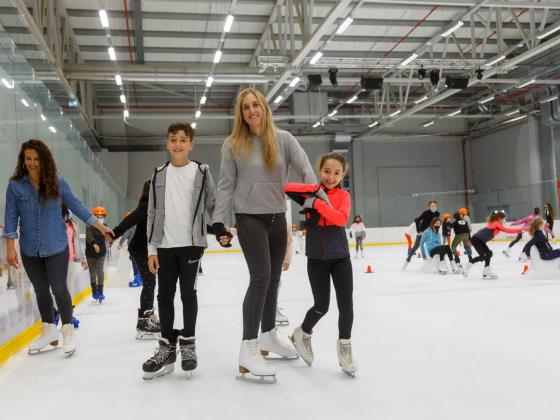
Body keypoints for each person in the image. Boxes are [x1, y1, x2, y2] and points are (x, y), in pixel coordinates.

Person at [212, 88, 315, 383]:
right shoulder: (233, 144)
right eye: (246, 107)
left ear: (264, 107)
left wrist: (313, 204)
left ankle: (268, 335)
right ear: (241, 114)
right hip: (249, 218)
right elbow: (225, 186)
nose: (252, 111)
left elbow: (306, 172)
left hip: (276, 217)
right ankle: (248, 348)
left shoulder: (283, 139)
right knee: (260, 278)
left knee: (273, 279)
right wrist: (219, 222)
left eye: (255, 105)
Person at [3, 139, 112, 356]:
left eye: (36, 159)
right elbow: (10, 217)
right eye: (28, 159)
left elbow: (77, 206)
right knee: (41, 290)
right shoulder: (15, 186)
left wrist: (100, 227)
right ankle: (48, 330)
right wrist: (10, 248)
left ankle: (67, 330)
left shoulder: (57, 183)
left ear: (44, 160)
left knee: (59, 288)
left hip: (56, 247)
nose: (32, 163)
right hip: (29, 249)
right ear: (23, 161)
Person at [141, 122, 229, 380]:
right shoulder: (158, 174)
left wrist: (221, 229)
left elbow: (213, 203)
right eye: (173, 140)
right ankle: (167, 347)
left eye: (183, 140)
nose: (177, 144)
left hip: (191, 244)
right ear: (167, 144)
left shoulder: (201, 171)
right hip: (164, 245)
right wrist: (151, 249)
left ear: (191, 144)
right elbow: (151, 214)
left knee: (188, 294)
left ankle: (188, 344)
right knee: (164, 296)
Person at [284, 152, 357, 376]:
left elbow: (340, 219)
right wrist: (314, 191)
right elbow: (285, 187)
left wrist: (317, 203)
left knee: (346, 305)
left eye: (337, 173)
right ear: (319, 170)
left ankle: (345, 347)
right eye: (327, 171)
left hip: (340, 258)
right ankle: (302, 334)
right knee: (321, 306)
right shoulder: (312, 190)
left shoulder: (344, 195)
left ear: (343, 174)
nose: (331, 177)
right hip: (316, 258)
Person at [110, 181, 161, 340]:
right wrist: (115, 233)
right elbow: (130, 219)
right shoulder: (147, 205)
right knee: (149, 283)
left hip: (145, 249)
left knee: (150, 283)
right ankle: (145, 321)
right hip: (140, 249)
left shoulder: (156, 206)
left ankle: (146, 318)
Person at [463, 211, 522, 279]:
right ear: (499, 218)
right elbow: (507, 230)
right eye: (503, 218)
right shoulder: (496, 224)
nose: (504, 220)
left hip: (479, 240)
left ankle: (486, 270)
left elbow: (482, 232)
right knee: (483, 256)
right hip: (477, 240)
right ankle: (467, 266)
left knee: (489, 253)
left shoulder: (495, 224)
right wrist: (518, 230)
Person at [60, 204, 87, 328]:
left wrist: (83, 259)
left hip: (70, 260)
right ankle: (56, 313)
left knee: (68, 289)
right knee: (57, 289)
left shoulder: (73, 225)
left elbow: (77, 242)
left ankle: (68, 314)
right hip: (56, 260)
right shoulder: (52, 224)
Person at [402, 200, 440, 270]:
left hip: (431, 232)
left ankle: (434, 264)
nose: (433, 207)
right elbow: (417, 220)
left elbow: (437, 223)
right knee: (416, 246)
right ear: (428, 206)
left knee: (434, 246)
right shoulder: (425, 213)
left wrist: (436, 231)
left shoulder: (437, 213)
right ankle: (407, 260)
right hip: (422, 232)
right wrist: (419, 231)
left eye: (434, 206)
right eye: (432, 206)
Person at [86, 207, 108, 303]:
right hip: (90, 253)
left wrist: (111, 240)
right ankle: (94, 290)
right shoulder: (89, 226)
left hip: (101, 253)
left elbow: (108, 236)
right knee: (92, 273)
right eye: (97, 216)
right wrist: (94, 243)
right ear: (94, 217)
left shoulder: (105, 226)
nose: (100, 218)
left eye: (101, 216)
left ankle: (101, 292)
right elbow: (89, 236)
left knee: (100, 272)